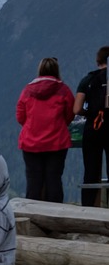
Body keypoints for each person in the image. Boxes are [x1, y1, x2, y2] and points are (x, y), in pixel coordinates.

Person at [15, 57, 74, 202]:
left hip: (30, 142)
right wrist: (59, 125)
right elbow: (70, 114)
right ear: (56, 70)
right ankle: (55, 215)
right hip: (57, 142)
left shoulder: (27, 90)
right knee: (53, 179)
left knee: (33, 180)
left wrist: (32, 126)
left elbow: (20, 116)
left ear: (40, 70)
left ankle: (32, 214)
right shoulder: (63, 90)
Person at [73, 46, 109, 207]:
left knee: (91, 171)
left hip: (93, 128)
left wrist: (89, 113)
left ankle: (87, 208)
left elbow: (76, 109)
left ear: (98, 61)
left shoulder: (88, 80)